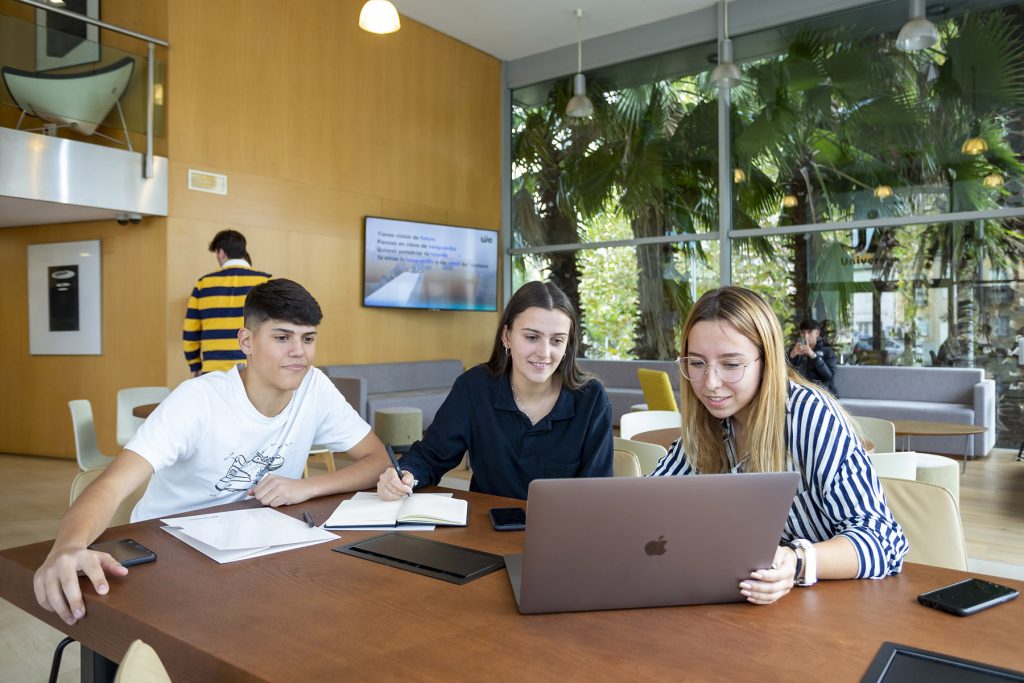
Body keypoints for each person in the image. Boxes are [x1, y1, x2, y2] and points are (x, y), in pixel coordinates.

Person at [35, 279, 391, 626]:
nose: (299, 351)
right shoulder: (197, 400)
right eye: (282, 337)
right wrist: (67, 547)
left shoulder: (315, 388)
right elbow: (111, 485)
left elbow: (379, 461)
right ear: (246, 341)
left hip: (257, 549)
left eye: (308, 338)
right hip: (169, 552)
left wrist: (306, 487)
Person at [652, 286, 908, 605]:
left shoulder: (810, 418)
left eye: (731, 365)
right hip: (746, 610)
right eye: (697, 363)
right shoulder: (707, 426)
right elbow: (648, 507)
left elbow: (884, 543)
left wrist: (797, 561)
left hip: (838, 608)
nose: (710, 383)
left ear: (767, 361)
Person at [377, 281, 614, 501]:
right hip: (486, 527)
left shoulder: (591, 398)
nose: (544, 352)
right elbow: (430, 456)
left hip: (563, 530)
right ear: (506, 336)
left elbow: (597, 494)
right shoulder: (474, 387)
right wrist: (404, 474)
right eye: (532, 337)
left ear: (567, 345)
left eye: (557, 340)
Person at [183, 229, 271, 376]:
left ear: (221, 253)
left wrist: (195, 365)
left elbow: (190, 331)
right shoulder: (265, 282)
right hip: (253, 368)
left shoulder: (203, 284)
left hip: (213, 370)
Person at [788, 318, 838, 394]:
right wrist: (792, 355)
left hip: (823, 392)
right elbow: (784, 372)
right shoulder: (796, 350)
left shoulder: (827, 351)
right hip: (801, 391)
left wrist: (813, 356)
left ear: (817, 333)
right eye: (803, 332)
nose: (806, 336)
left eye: (809, 332)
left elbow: (828, 376)